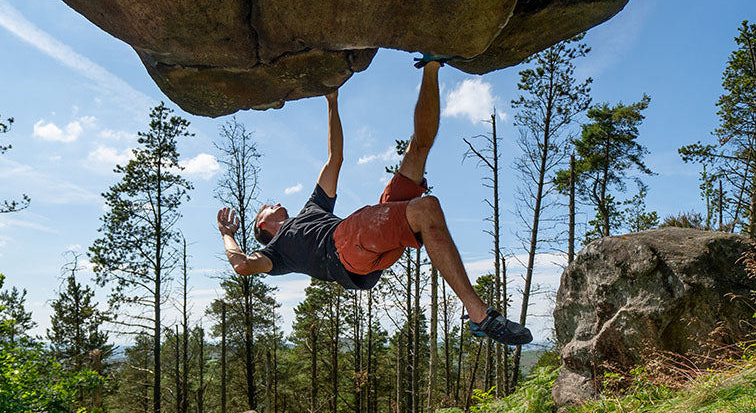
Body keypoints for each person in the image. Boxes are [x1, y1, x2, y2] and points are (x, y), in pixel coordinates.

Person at [216, 59, 531, 346]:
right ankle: (478, 314)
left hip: (371, 254)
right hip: (346, 246)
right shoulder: (275, 252)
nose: (273, 202)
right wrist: (226, 233)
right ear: (263, 224)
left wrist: (332, 102)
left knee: (417, 152)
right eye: (266, 207)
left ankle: (432, 65)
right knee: (426, 208)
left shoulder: (313, 208)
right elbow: (242, 264)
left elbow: (334, 158)